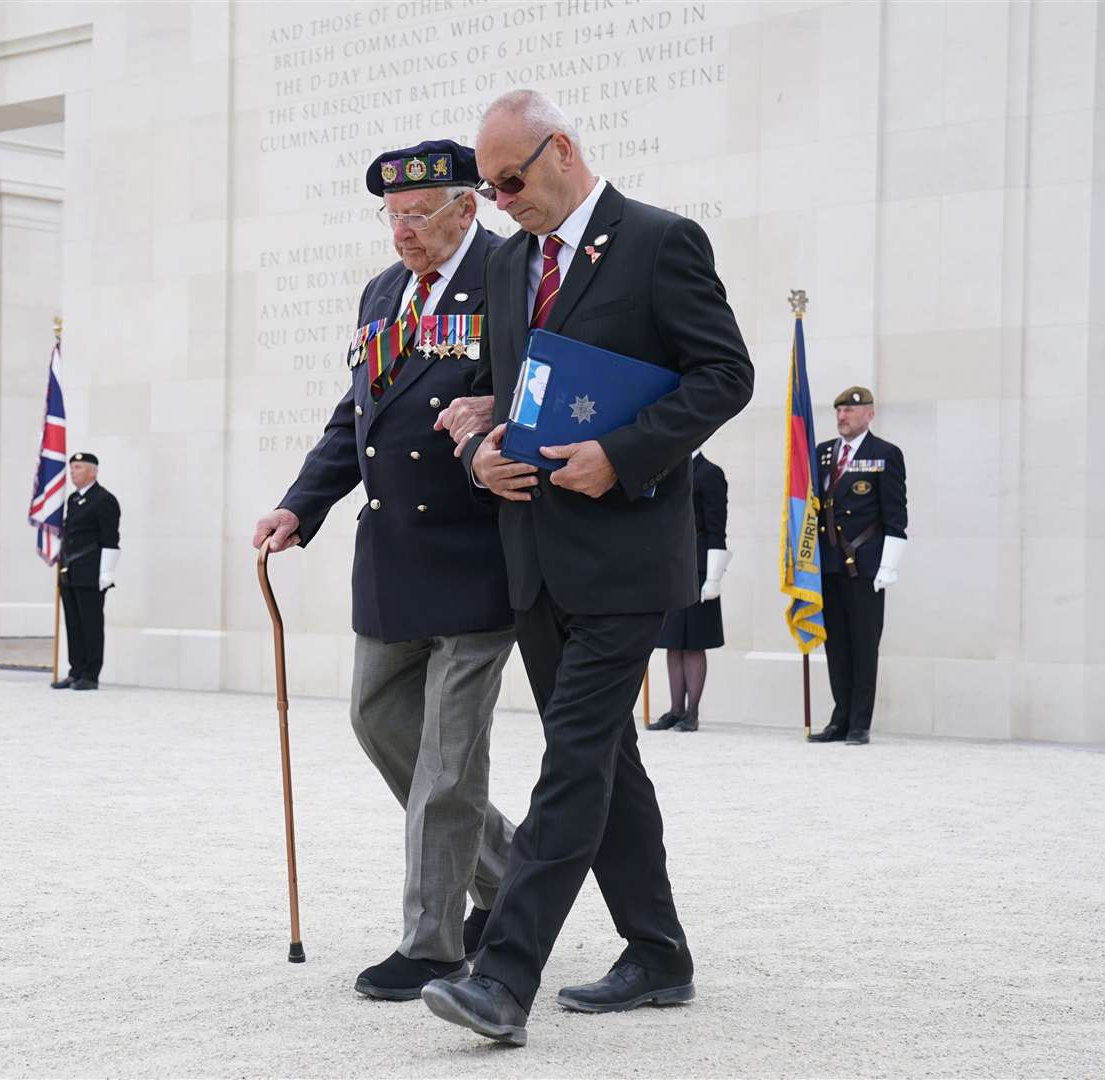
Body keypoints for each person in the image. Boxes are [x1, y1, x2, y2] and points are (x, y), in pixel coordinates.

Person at [426, 89, 755, 1047]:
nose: (501, 201)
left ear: (561, 149)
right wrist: (474, 452)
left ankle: (503, 978)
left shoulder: (658, 241)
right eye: (487, 190)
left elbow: (722, 373)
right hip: (534, 557)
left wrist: (624, 452)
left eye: (511, 180)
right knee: (609, 761)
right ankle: (658, 954)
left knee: (570, 764)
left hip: (625, 558)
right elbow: (499, 393)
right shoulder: (510, 264)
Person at [252, 140, 518, 1001]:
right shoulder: (381, 293)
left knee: (447, 762)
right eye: (393, 216)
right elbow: (353, 417)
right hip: (392, 558)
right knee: (376, 722)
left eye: (421, 215)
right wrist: (303, 503)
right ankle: (515, 878)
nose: (403, 232)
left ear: (466, 209)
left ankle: (433, 944)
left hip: (479, 555)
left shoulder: (509, 276)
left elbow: (541, 386)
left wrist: (501, 415)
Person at [807, 387, 907, 746]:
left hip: (865, 566)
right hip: (830, 564)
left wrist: (888, 566)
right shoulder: (822, 455)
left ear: (869, 413)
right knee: (836, 645)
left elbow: (896, 517)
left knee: (864, 645)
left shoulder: (884, 455)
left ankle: (860, 722)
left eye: (849, 409)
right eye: (838, 410)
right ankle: (840, 717)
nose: (842, 416)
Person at [648, 451, 731, 733]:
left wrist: (714, 577)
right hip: (671, 564)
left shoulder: (710, 473)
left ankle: (692, 712)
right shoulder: (668, 467)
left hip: (698, 565)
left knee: (694, 641)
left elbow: (718, 528)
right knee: (673, 641)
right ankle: (675, 709)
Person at [52, 452, 120, 691]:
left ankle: (91, 674)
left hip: (91, 571)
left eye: (78, 468)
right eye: (72, 468)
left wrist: (106, 572)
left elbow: (110, 537)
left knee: (90, 623)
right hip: (70, 569)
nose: (73, 472)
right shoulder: (73, 499)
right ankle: (76, 670)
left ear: (92, 471)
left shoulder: (103, 499)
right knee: (73, 623)